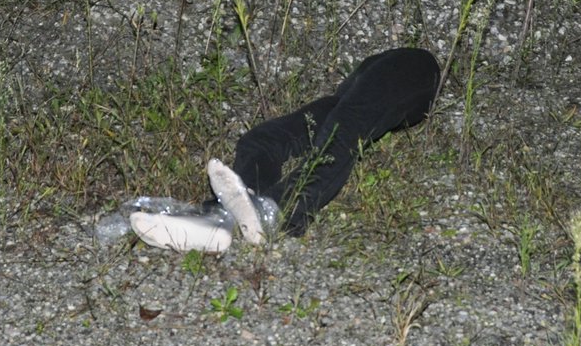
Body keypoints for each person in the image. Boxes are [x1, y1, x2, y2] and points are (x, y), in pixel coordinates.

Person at [129, 47, 441, 252]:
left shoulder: (414, 61)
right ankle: (226, 217)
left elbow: (361, 110)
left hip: (417, 68)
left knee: (345, 127)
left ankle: (276, 209)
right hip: (346, 98)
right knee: (259, 141)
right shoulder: (351, 92)